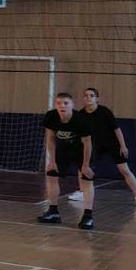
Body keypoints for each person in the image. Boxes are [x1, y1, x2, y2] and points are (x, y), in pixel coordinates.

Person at [75, 87, 136, 207]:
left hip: (111, 144)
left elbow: (117, 129)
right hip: (94, 146)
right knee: (82, 167)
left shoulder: (104, 112)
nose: (88, 98)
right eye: (86, 96)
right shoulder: (81, 114)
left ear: (97, 99)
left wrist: (123, 146)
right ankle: (82, 193)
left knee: (125, 170)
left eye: (91, 95)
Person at [37, 92, 95, 229]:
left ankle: (87, 216)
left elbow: (87, 143)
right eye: (58, 103)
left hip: (82, 149)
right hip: (63, 148)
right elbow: (50, 139)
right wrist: (52, 161)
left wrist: (85, 165)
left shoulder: (81, 120)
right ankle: (53, 212)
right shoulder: (51, 116)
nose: (62, 106)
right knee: (51, 174)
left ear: (72, 105)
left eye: (65, 103)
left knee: (86, 178)